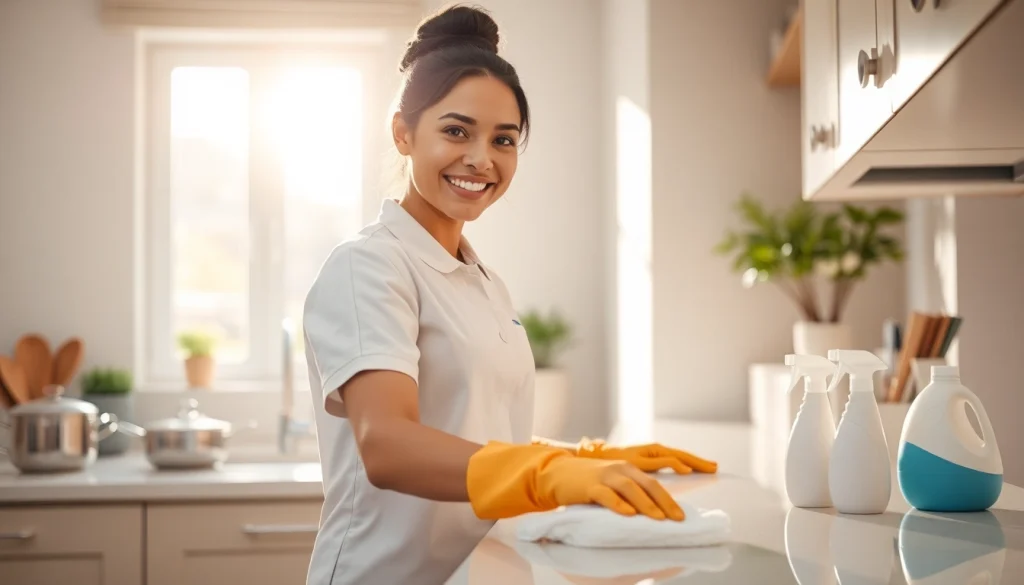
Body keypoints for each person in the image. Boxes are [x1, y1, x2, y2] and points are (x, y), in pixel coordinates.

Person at [301, 4, 717, 585]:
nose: (481, 159)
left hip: (478, 572)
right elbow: (388, 445)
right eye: (456, 131)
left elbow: (480, 435)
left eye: (504, 139)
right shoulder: (367, 267)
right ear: (403, 133)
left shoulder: (483, 281)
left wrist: (581, 458)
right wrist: (546, 473)